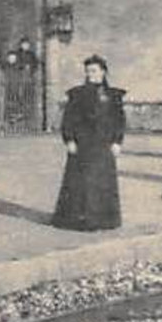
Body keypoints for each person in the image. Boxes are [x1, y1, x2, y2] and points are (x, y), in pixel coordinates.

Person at [52, 55, 126, 231]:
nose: (90, 74)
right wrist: (69, 139)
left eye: (94, 70)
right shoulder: (77, 94)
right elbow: (68, 119)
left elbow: (119, 120)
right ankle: (78, 221)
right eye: (87, 71)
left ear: (103, 72)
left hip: (104, 145)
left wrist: (117, 141)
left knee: (103, 183)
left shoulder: (113, 95)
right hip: (83, 145)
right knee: (81, 183)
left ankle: (104, 221)